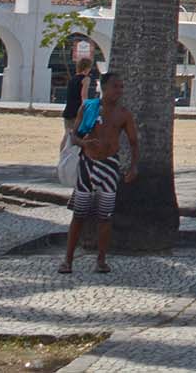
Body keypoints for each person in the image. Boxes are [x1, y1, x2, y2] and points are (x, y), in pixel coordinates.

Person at [61, 70, 139, 276]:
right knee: (79, 214)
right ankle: (68, 260)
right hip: (88, 163)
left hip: (109, 166)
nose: (119, 91)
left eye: (121, 87)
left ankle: (101, 260)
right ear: (104, 88)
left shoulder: (124, 114)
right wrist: (84, 142)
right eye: (116, 86)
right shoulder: (89, 108)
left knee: (105, 216)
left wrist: (133, 166)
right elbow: (75, 136)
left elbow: (133, 141)